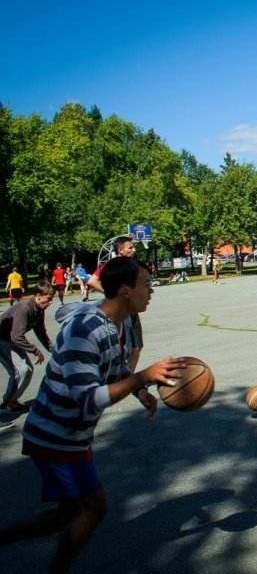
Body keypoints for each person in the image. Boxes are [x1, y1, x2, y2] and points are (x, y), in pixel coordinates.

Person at [0, 257, 185, 574]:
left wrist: (140, 389)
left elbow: (114, 372)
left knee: (66, 513)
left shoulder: (111, 327)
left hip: (68, 434)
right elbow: (89, 399)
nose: (151, 290)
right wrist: (141, 378)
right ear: (125, 291)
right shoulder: (86, 329)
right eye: (145, 284)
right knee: (94, 506)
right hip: (56, 435)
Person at [86, 236, 144, 372]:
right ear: (120, 250)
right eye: (130, 247)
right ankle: (121, 381)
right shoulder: (113, 265)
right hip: (123, 311)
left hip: (132, 309)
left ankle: (127, 379)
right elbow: (92, 281)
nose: (133, 250)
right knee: (124, 347)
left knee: (137, 346)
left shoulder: (130, 264)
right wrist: (112, 293)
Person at [0, 281, 55, 415]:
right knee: (21, 370)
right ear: (38, 295)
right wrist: (35, 351)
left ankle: (13, 400)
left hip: (12, 340)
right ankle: (7, 403)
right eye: (48, 299)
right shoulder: (24, 308)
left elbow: (41, 332)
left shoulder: (39, 310)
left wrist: (54, 350)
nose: (50, 303)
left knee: (28, 370)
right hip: (3, 341)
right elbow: (17, 336)